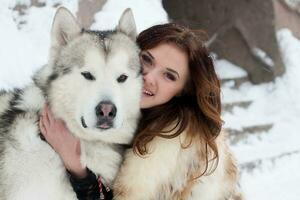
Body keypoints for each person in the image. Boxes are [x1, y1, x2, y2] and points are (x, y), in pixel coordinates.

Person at [40, 23, 237, 200]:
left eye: (169, 76)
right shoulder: (132, 114)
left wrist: (76, 167)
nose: (148, 77)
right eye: (146, 60)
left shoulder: (178, 147)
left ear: (182, 91)